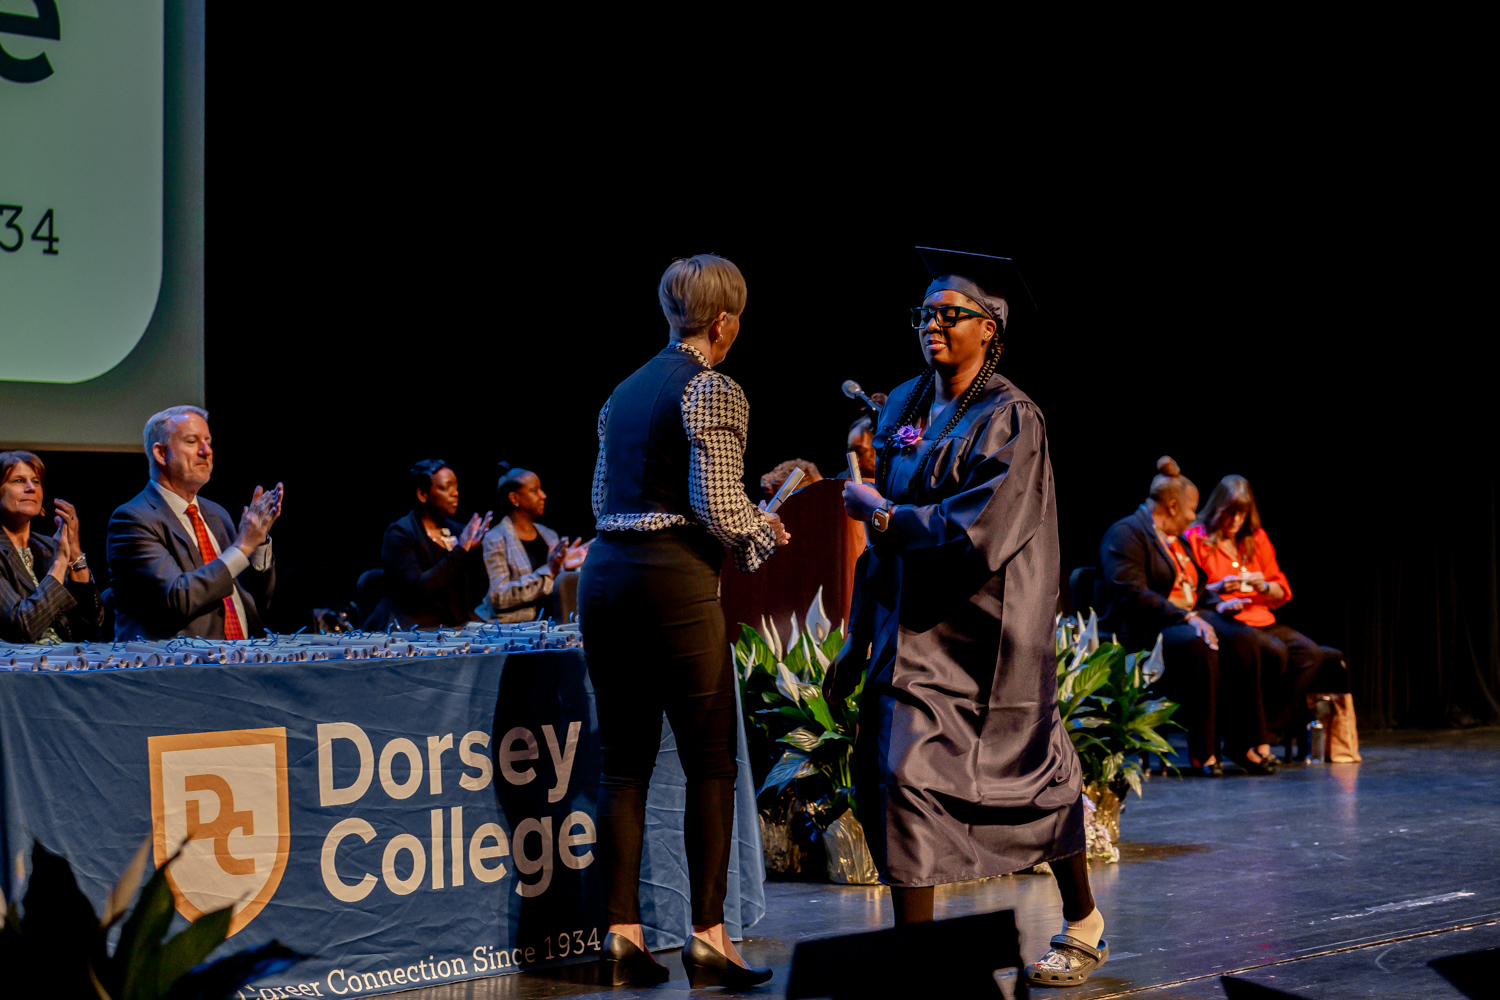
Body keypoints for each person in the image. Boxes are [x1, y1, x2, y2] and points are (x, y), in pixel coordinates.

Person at [829, 247, 1105, 988]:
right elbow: (882, 542)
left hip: (986, 633)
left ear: (991, 327)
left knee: (1033, 783)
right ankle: (916, 964)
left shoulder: (1013, 418)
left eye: (951, 314)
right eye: (924, 313)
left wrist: (881, 514)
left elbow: (978, 529)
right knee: (899, 778)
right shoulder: (904, 404)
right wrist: (857, 638)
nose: (933, 325)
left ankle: (1083, 916)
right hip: (911, 628)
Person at [579, 254, 788, 989]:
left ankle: (622, 936)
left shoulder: (622, 391)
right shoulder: (712, 387)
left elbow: (603, 497)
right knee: (711, 763)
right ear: (723, 322)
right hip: (671, 582)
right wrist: (763, 531)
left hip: (605, 576)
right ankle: (709, 938)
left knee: (623, 765)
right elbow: (716, 504)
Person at [1096, 457, 1278, 776]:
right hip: (1143, 628)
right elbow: (1131, 593)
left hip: (1180, 620)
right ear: (1172, 506)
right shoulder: (1126, 533)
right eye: (1192, 509)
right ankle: (1204, 751)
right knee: (1201, 644)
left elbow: (1197, 588)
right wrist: (1186, 616)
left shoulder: (1177, 541)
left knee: (1244, 638)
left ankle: (1243, 742)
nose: (1195, 516)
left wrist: (1219, 604)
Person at [108, 406, 282, 640]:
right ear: (161, 453)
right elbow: (177, 598)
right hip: (175, 661)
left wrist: (258, 542)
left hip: (242, 656)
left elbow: (255, 598)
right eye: (192, 441)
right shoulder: (133, 519)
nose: (206, 451)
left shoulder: (217, 515)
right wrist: (243, 547)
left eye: (208, 442)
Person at [1184, 475, 1322, 743]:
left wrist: (1264, 587)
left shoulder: (1255, 539)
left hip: (1260, 619)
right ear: (1217, 508)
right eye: (1230, 513)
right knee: (1274, 653)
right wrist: (1218, 589)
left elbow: (1281, 589)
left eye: (1242, 514)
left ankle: (1267, 731)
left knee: (1309, 654)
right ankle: (1247, 734)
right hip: (1225, 622)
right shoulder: (1196, 538)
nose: (1235, 521)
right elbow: (1188, 591)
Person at [0, 451, 103, 643]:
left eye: (36, 481)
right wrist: (60, 563)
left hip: (69, 657)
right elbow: (23, 627)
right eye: (18, 481)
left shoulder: (48, 546)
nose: (31, 488)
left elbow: (93, 620)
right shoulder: (57, 554)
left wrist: (74, 553)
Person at [379, 459, 491, 629]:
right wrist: (460, 551)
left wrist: (475, 551)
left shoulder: (458, 531)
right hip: (418, 627)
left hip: (458, 623)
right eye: (446, 487)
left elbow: (479, 592)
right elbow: (418, 591)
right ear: (422, 494)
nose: (455, 493)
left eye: (456, 487)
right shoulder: (399, 534)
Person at [474, 462, 583, 623]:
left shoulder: (549, 535)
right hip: (515, 628)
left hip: (553, 623)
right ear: (514, 498)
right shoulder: (495, 539)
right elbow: (499, 597)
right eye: (534, 490)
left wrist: (568, 567)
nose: (543, 495)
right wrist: (549, 572)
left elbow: (558, 587)